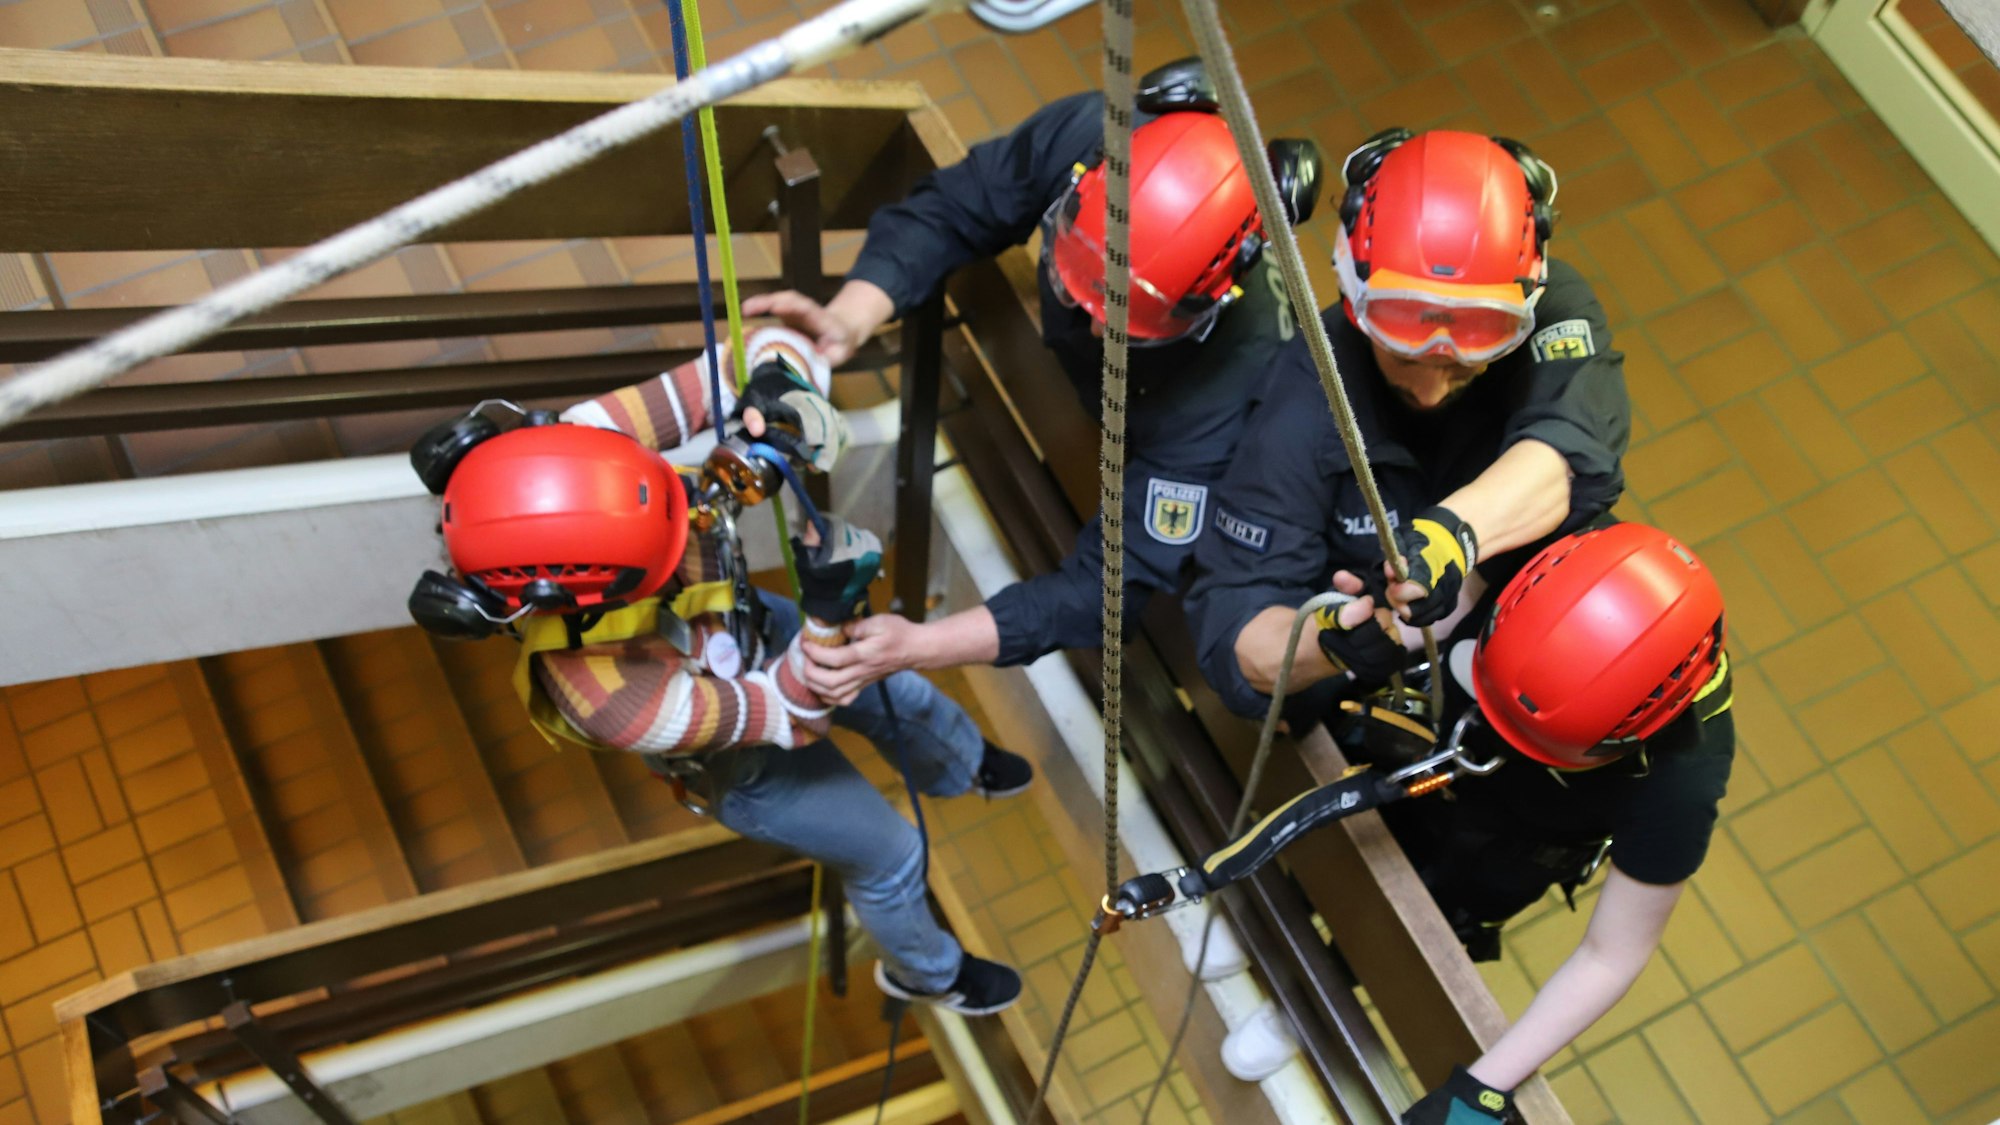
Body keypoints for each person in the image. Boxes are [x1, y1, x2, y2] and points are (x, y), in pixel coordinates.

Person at [403, 328, 1030, 1015]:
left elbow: (738, 354)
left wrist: (777, 386)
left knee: (902, 694)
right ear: (598, 587)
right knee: (892, 856)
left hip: (744, 620)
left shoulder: (584, 442)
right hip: (744, 760)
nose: (695, 513)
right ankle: (930, 974)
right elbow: (794, 717)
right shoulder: (605, 698)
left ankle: (962, 766)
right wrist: (828, 614)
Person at [743, 59, 1323, 700]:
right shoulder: (1095, 136)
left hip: (1165, 458)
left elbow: (1102, 589)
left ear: (1210, 304)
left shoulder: (1240, 391)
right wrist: (849, 319)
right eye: (1082, 289)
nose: (1094, 328)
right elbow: (958, 206)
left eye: (1127, 324)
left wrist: (921, 645)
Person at [1164, 523, 1732, 1124]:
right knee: (1336, 840)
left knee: (1410, 927)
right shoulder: (1556, 561)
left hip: (1507, 848)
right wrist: (1334, 666)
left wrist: (1481, 1090)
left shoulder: (1680, 782)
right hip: (1423, 751)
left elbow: (1611, 954)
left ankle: (1303, 1000)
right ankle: (1260, 922)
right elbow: (1438, 612)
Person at [1185, 128, 1632, 722]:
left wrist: (1450, 540)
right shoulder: (1305, 400)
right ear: (1355, 301)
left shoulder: (1550, 308)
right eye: (1405, 359)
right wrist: (1332, 645)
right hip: (1378, 694)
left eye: (1462, 365)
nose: (1430, 392)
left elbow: (1575, 451)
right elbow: (1236, 636)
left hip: (1527, 630)